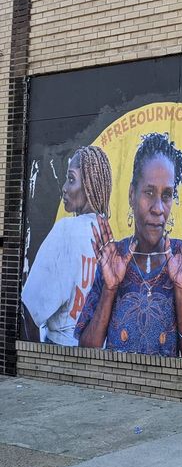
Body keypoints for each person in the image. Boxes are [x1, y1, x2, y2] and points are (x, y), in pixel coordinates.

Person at [75, 133, 182, 359]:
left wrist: (181, 288)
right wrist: (109, 289)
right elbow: (86, 351)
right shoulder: (113, 258)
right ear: (132, 194)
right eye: (149, 193)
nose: (158, 208)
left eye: (167, 195)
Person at [21, 146, 113, 345]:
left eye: (71, 179)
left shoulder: (65, 231)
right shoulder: (109, 237)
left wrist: (37, 359)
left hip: (60, 350)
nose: (64, 187)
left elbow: (28, 310)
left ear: (89, 185)